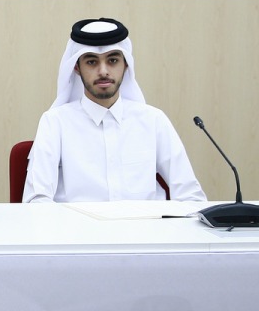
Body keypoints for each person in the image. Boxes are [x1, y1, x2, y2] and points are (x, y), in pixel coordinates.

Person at [22, 17, 206, 203]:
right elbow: (36, 200)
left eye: (113, 60)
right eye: (92, 62)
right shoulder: (55, 122)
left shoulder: (153, 120)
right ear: (77, 68)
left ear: (126, 65)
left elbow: (190, 196)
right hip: (77, 231)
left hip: (146, 230)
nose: (103, 71)